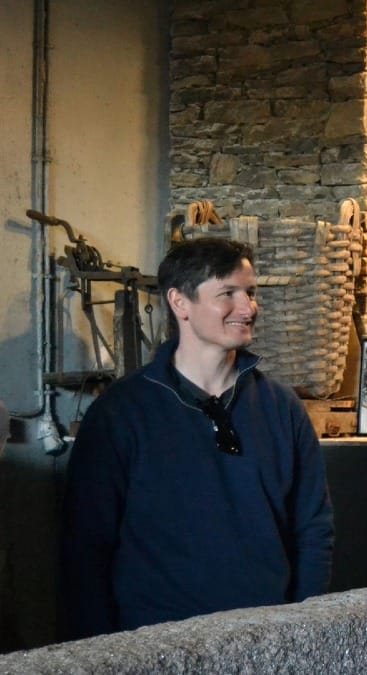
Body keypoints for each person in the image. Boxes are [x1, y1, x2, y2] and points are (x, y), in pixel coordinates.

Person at [60, 238, 334, 640]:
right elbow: (86, 547)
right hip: (155, 644)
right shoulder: (121, 413)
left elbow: (314, 528)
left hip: (268, 640)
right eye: (228, 293)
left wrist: (303, 629)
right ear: (180, 303)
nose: (248, 308)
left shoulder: (281, 405)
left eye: (251, 292)